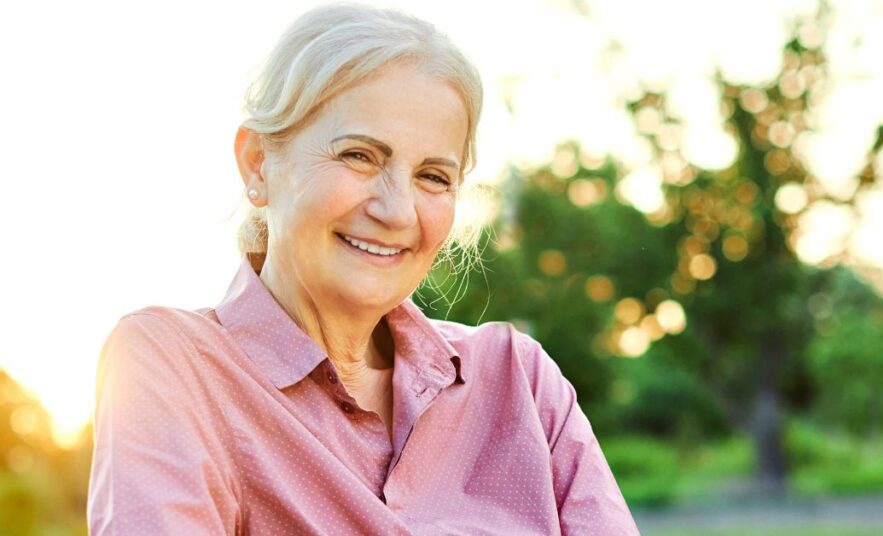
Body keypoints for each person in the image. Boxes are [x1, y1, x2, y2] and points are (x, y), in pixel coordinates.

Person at [87, 3, 640, 534]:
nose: (397, 210)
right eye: (359, 156)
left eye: (432, 177)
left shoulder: (519, 379)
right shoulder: (173, 366)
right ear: (258, 163)